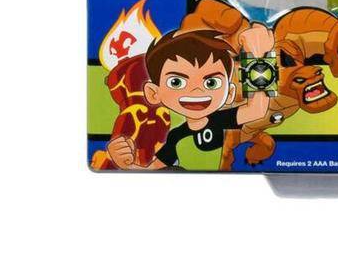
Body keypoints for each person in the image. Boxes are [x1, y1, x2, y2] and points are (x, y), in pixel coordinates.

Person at [106, 25, 273, 171]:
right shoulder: (175, 137)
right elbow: (153, 169)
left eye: (211, 83)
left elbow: (257, 109)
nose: (196, 90)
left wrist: (260, 57)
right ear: (153, 93)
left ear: (229, 93)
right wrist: (124, 163)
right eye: (176, 82)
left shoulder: (223, 120)